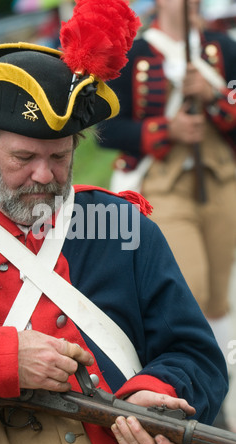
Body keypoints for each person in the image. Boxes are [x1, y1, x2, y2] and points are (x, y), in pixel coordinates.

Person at [0, 8, 228, 444]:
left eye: (58, 158)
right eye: (23, 158)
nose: (43, 176)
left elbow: (196, 355)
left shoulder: (121, 226)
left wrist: (161, 395)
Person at [98, 0, 236, 361]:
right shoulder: (135, 54)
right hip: (164, 186)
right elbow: (108, 126)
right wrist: (166, 129)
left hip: (222, 181)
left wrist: (215, 97)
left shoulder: (222, 47)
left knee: (220, 295)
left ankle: (220, 379)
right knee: (192, 288)